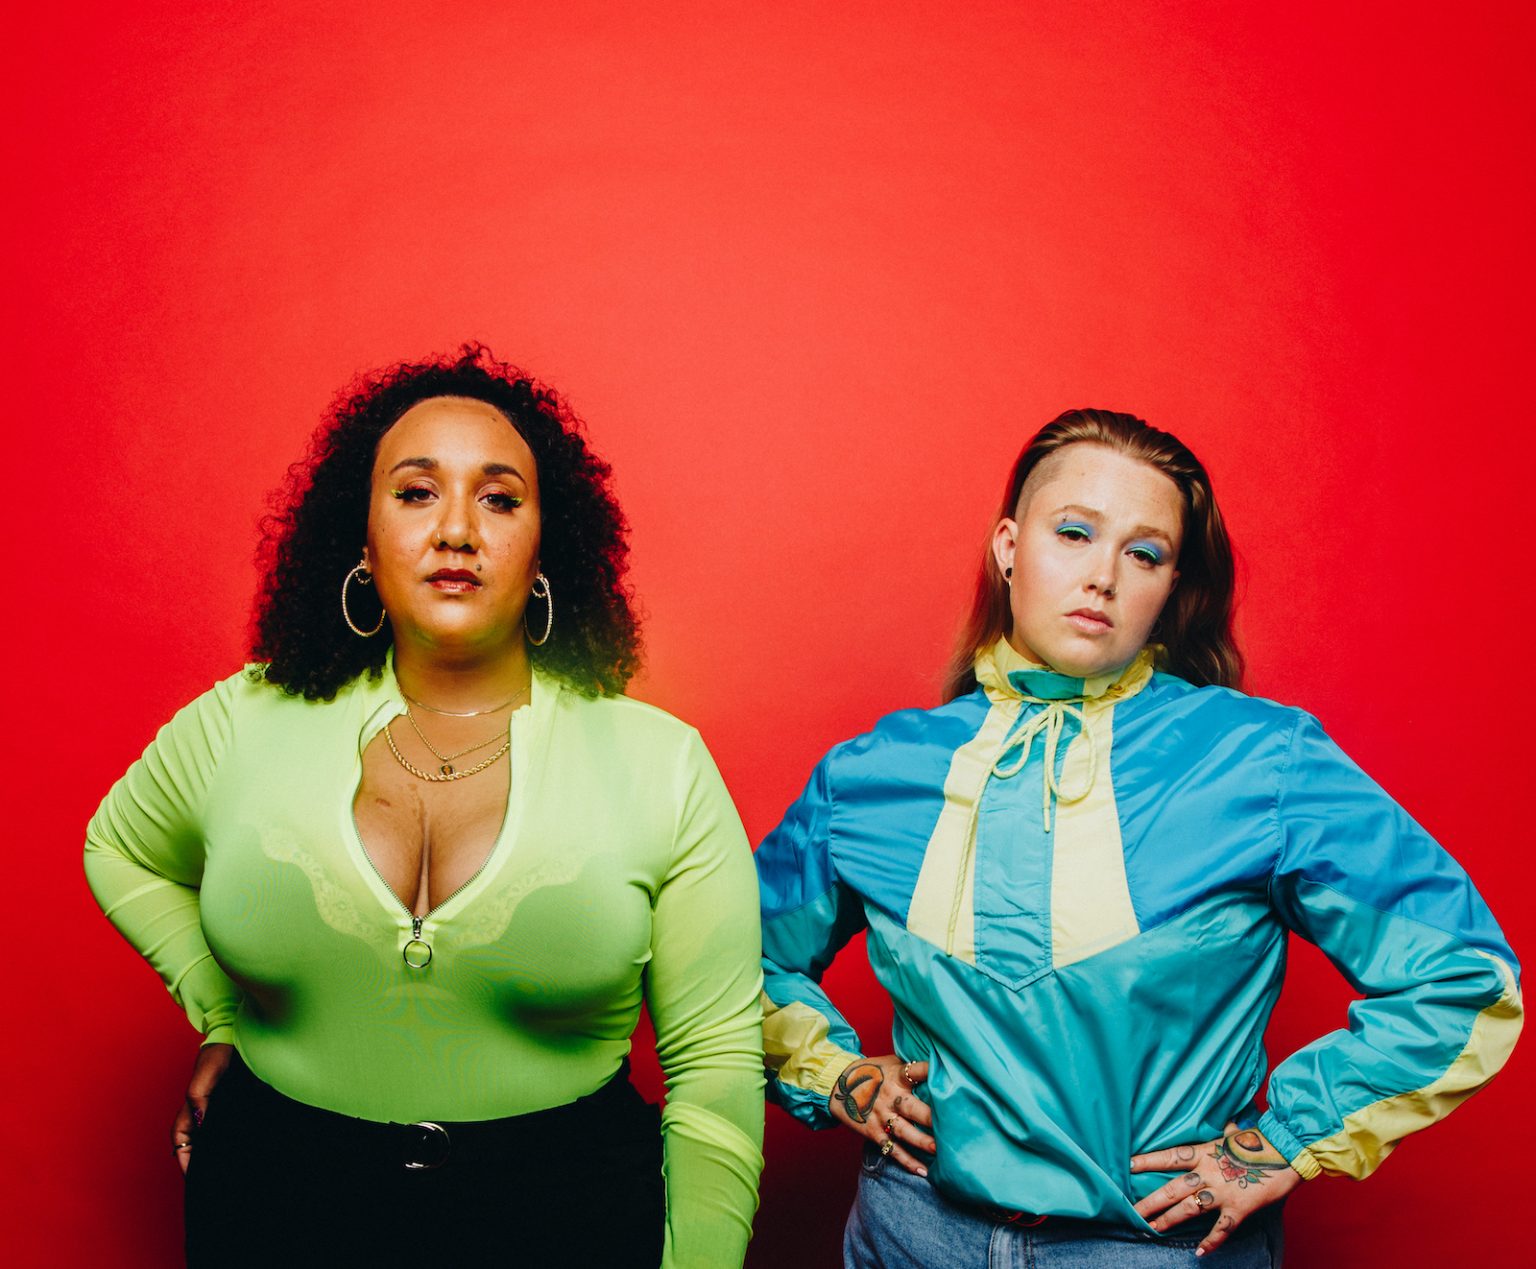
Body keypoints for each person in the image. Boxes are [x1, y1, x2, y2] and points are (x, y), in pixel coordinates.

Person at [755, 409, 1521, 1267]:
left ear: (1171, 585)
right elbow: (731, 963)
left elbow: (1465, 978)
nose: (1102, 577)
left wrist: (1284, 1140)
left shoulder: (1262, 760)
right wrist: (834, 1074)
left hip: (1155, 1248)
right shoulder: (872, 773)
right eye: (1073, 532)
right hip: (912, 1232)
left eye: (1144, 553)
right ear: (1009, 546)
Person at [84, 345, 764, 1269]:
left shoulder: (663, 763)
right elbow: (117, 846)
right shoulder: (244, 718)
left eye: (499, 499)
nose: (456, 530)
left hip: (567, 1219)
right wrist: (222, 1014)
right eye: (415, 492)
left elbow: (716, 1065)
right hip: (273, 1204)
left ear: (545, 549)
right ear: (361, 543)